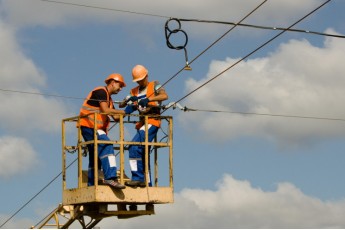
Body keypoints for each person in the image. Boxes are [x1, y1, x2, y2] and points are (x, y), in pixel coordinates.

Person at [79, 73, 133, 189]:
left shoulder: (109, 99)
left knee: (96, 155)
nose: (121, 88)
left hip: (92, 127)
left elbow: (116, 117)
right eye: (120, 85)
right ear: (112, 83)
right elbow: (105, 110)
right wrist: (124, 112)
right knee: (106, 146)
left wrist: (130, 109)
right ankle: (110, 178)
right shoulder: (101, 91)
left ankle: (92, 183)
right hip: (90, 126)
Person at [119, 65, 168, 187]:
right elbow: (123, 106)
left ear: (146, 76)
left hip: (152, 121)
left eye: (141, 79)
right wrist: (128, 100)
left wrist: (148, 99)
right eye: (138, 80)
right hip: (141, 123)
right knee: (142, 152)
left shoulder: (154, 84)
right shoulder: (134, 91)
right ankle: (147, 182)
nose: (140, 82)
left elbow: (164, 96)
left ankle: (138, 178)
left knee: (134, 147)